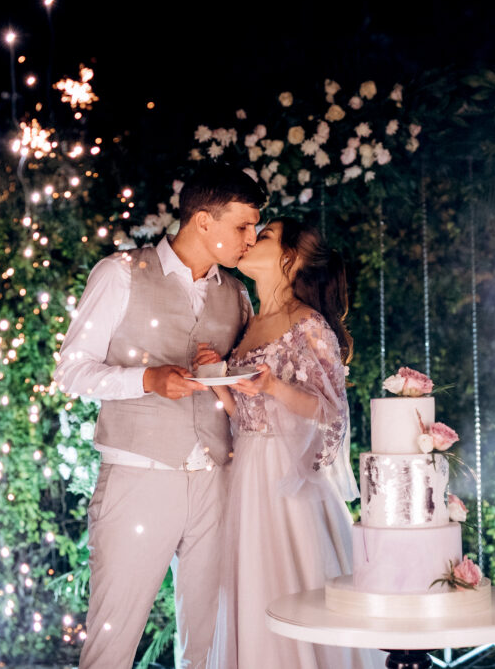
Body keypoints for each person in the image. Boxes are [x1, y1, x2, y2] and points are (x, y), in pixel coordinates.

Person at [53, 163, 266, 669]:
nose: (251, 239)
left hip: (216, 480)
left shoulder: (235, 294)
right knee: (113, 639)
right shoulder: (120, 273)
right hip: (138, 478)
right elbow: (71, 372)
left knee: (210, 644)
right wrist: (146, 380)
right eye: (242, 226)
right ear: (202, 222)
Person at [198, 218, 384, 668]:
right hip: (247, 473)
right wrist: (217, 381)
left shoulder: (309, 325)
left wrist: (273, 388)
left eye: (264, 236)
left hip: (287, 476)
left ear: (293, 258)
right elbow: (245, 412)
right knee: (255, 584)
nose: (250, 240)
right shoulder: (251, 325)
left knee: (294, 585)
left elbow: (332, 413)